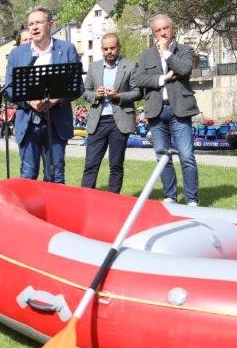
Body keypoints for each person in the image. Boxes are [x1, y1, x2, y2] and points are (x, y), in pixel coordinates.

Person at [4, 6, 79, 182]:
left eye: (39, 22)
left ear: (50, 24)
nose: (34, 27)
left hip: (57, 121)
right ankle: (29, 211)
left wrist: (56, 98)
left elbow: (77, 86)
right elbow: (8, 88)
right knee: (28, 175)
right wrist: (29, 101)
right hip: (28, 122)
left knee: (55, 175)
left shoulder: (67, 49)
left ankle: (57, 210)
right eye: (31, 24)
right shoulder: (17, 54)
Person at [132, 14, 201, 206]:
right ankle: (170, 195)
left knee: (186, 155)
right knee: (162, 155)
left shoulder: (185, 50)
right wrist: (163, 78)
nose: (162, 33)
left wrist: (167, 54)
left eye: (166, 28)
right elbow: (139, 79)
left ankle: (192, 199)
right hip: (157, 110)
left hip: (180, 108)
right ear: (154, 33)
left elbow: (185, 69)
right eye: (158, 30)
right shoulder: (146, 56)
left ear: (173, 28)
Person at [81, 33, 139, 193]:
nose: (109, 51)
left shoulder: (130, 65)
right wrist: (95, 95)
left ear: (118, 47)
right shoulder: (94, 67)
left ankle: (113, 200)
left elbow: (138, 92)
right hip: (97, 121)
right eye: (106, 48)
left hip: (119, 121)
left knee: (116, 165)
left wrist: (118, 96)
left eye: (112, 48)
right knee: (90, 164)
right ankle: (86, 198)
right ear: (102, 49)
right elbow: (85, 91)